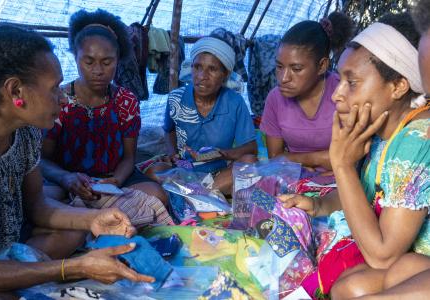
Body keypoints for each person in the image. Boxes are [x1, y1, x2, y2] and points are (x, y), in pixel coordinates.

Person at [0, 25, 154, 297]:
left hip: (4, 244)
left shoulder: (24, 135)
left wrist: (95, 219)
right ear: (16, 91)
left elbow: (37, 205)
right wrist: (71, 268)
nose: (63, 99)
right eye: (53, 90)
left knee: (77, 230)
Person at [280, 12, 429, 298]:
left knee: (358, 285)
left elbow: (383, 256)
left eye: (352, 82)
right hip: (404, 259)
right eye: (339, 81)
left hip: (405, 258)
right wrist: (319, 205)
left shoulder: (416, 139)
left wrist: (342, 164)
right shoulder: (377, 136)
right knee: (348, 285)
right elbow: (367, 195)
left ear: (398, 86)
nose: (336, 95)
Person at [40, 9, 172, 226]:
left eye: (107, 62)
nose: (98, 70)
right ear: (76, 57)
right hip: (67, 181)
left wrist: (116, 181)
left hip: (115, 179)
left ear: (118, 60)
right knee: (39, 201)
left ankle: (84, 219)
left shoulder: (126, 101)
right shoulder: (60, 99)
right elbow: (43, 160)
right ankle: (96, 217)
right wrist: (67, 178)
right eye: (89, 62)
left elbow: (129, 157)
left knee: (157, 195)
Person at [148, 36, 257, 195]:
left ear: (225, 74)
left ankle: (195, 193)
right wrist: (172, 154)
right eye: (197, 67)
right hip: (184, 170)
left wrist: (223, 154)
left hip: (219, 171)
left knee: (250, 163)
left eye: (212, 69)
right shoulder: (176, 99)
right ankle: (204, 193)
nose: (201, 76)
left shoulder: (235, 103)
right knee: (154, 172)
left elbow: (251, 148)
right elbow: (169, 130)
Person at [260, 12, 353, 172]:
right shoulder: (275, 98)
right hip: (294, 179)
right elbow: (275, 159)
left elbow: (351, 158)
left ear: (322, 66)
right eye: (279, 67)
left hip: (342, 182)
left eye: (296, 69)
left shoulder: (343, 93)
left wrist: (293, 159)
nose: (283, 78)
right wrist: (319, 158)